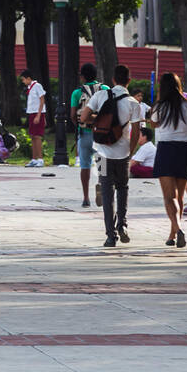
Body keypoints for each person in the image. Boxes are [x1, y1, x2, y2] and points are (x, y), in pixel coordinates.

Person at [79, 64, 145, 247]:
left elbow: (83, 117)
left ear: (113, 80)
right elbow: (137, 132)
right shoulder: (133, 103)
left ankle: (110, 235)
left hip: (102, 153)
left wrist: (98, 120)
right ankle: (122, 224)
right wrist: (130, 153)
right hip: (123, 153)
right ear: (129, 81)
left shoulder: (100, 95)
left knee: (107, 191)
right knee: (123, 188)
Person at [147, 73, 187, 248]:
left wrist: (158, 101)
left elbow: (153, 124)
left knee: (169, 197)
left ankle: (178, 229)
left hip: (166, 150)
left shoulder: (160, 106)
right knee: (180, 196)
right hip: (183, 151)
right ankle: (172, 234)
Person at [70, 63, 105, 207]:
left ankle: (85, 197)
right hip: (101, 134)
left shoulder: (77, 93)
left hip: (84, 134)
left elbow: (73, 114)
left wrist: (78, 124)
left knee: (85, 165)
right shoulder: (105, 89)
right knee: (103, 166)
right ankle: (102, 189)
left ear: (82, 77)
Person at [20, 69, 47, 167]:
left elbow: (42, 100)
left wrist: (39, 115)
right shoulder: (29, 87)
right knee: (32, 136)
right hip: (31, 113)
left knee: (37, 136)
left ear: (29, 78)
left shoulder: (37, 86)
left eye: (23, 79)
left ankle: (40, 159)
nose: (23, 82)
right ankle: (34, 158)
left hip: (37, 113)